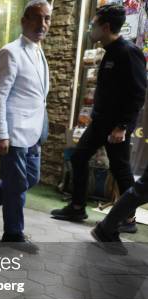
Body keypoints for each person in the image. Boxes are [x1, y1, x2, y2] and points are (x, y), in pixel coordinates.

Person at [51, 4, 147, 233]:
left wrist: (122, 126)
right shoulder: (109, 51)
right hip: (100, 122)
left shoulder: (128, 52)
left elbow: (138, 93)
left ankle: (128, 219)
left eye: (93, 25)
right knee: (79, 157)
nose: (90, 29)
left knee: (120, 170)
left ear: (105, 27)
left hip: (116, 126)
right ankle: (77, 206)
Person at [0, 0, 51, 251]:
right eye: (37, 18)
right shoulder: (11, 52)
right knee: (17, 185)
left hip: (33, 131)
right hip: (14, 130)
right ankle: (13, 233)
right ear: (24, 20)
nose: (43, 24)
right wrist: (0, 133)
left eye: (47, 18)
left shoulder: (38, 51)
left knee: (30, 177)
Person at [92, 91, 148, 254]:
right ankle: (108, 227)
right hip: (110, 122)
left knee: (142, 187)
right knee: (143, 188)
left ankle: (110, 226)